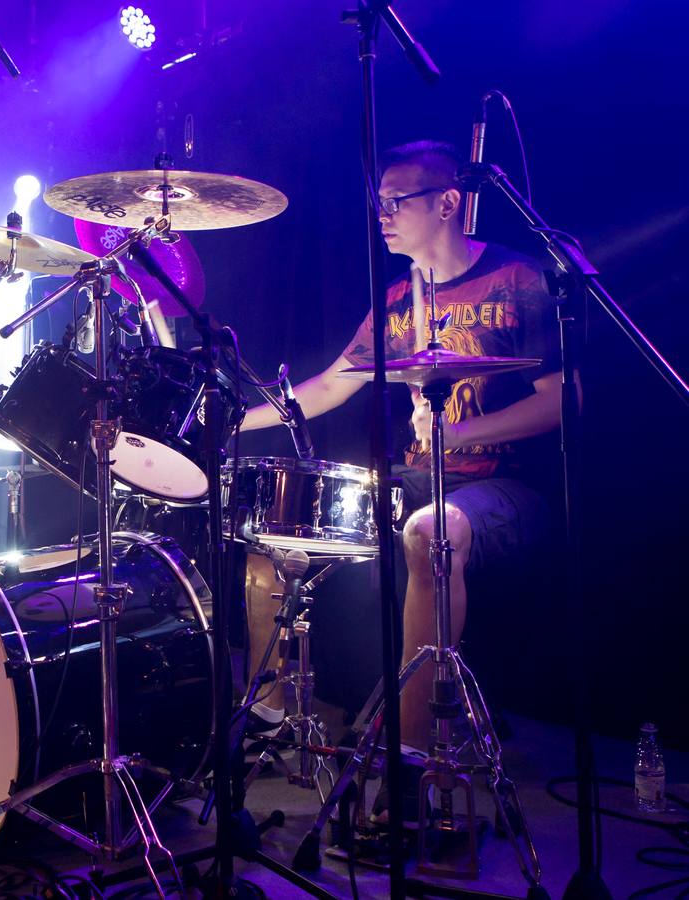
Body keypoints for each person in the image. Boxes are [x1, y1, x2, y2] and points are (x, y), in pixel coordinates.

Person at [240, 140, 562, 766]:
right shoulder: (394, 302)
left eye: (395, 201)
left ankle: (412, 748)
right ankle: (270, 711)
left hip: (508, 487)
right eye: (378, 203)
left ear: (448, 202)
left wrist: (462, 435)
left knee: (429, 531)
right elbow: (333, 384)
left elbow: (561, 401)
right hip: (420, 475)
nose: (381, 214)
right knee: (276, 531)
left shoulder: (519, 279)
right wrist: (232, 425)